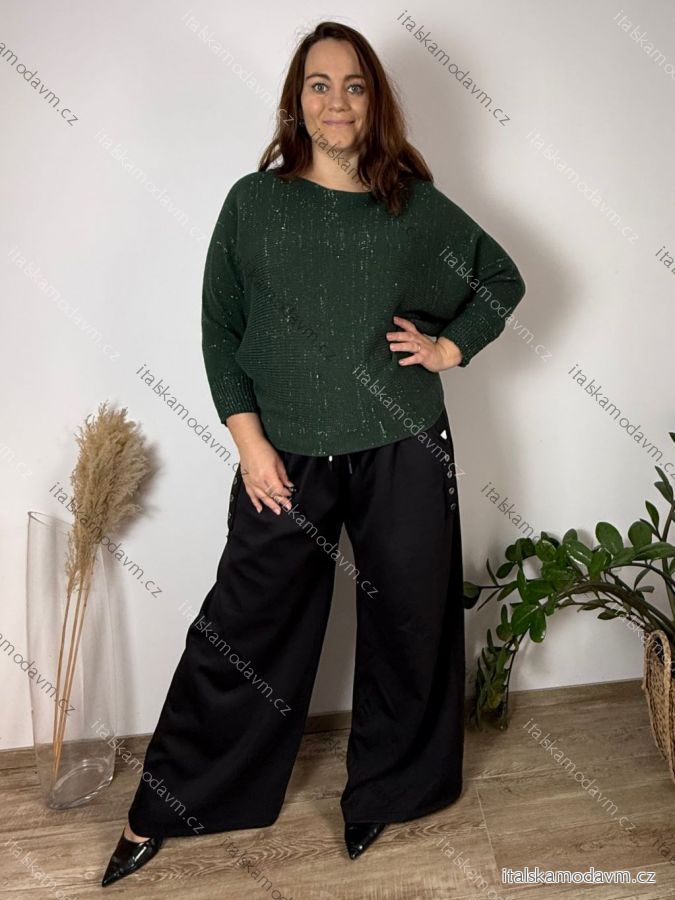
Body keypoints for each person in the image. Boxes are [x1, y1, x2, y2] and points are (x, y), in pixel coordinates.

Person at [101, 20, 526, 888]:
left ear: (375, 101)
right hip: (284, 455)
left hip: (402, 439)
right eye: (319, 84)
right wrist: (250, 444)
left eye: (354, 85)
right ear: (296, 102)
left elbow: (500, 277)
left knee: (409, 621)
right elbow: (220, 331)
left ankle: (389, 790)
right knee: (245, 629)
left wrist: (448, 348)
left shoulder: (409, 205)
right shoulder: (253, 204)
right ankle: (170, 805)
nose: (337, 101)